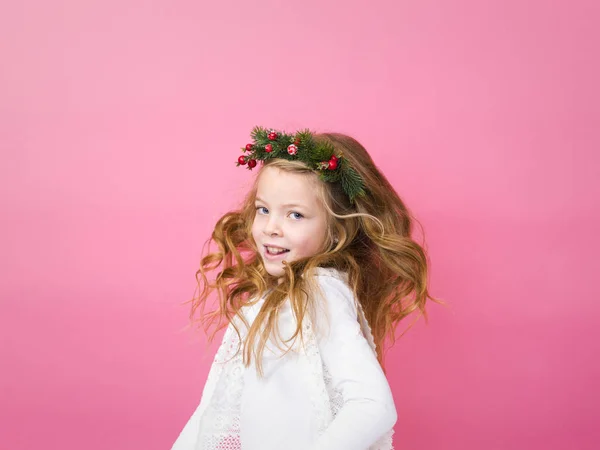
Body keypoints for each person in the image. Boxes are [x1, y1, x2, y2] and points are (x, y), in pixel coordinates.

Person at [171, 127, 438, 450]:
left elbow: (372, 405)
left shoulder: (320, 292)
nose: (271, 228)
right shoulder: (278, 296)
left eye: (295, 215)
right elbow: (214, 406)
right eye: (263, 209)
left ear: (335, 232)